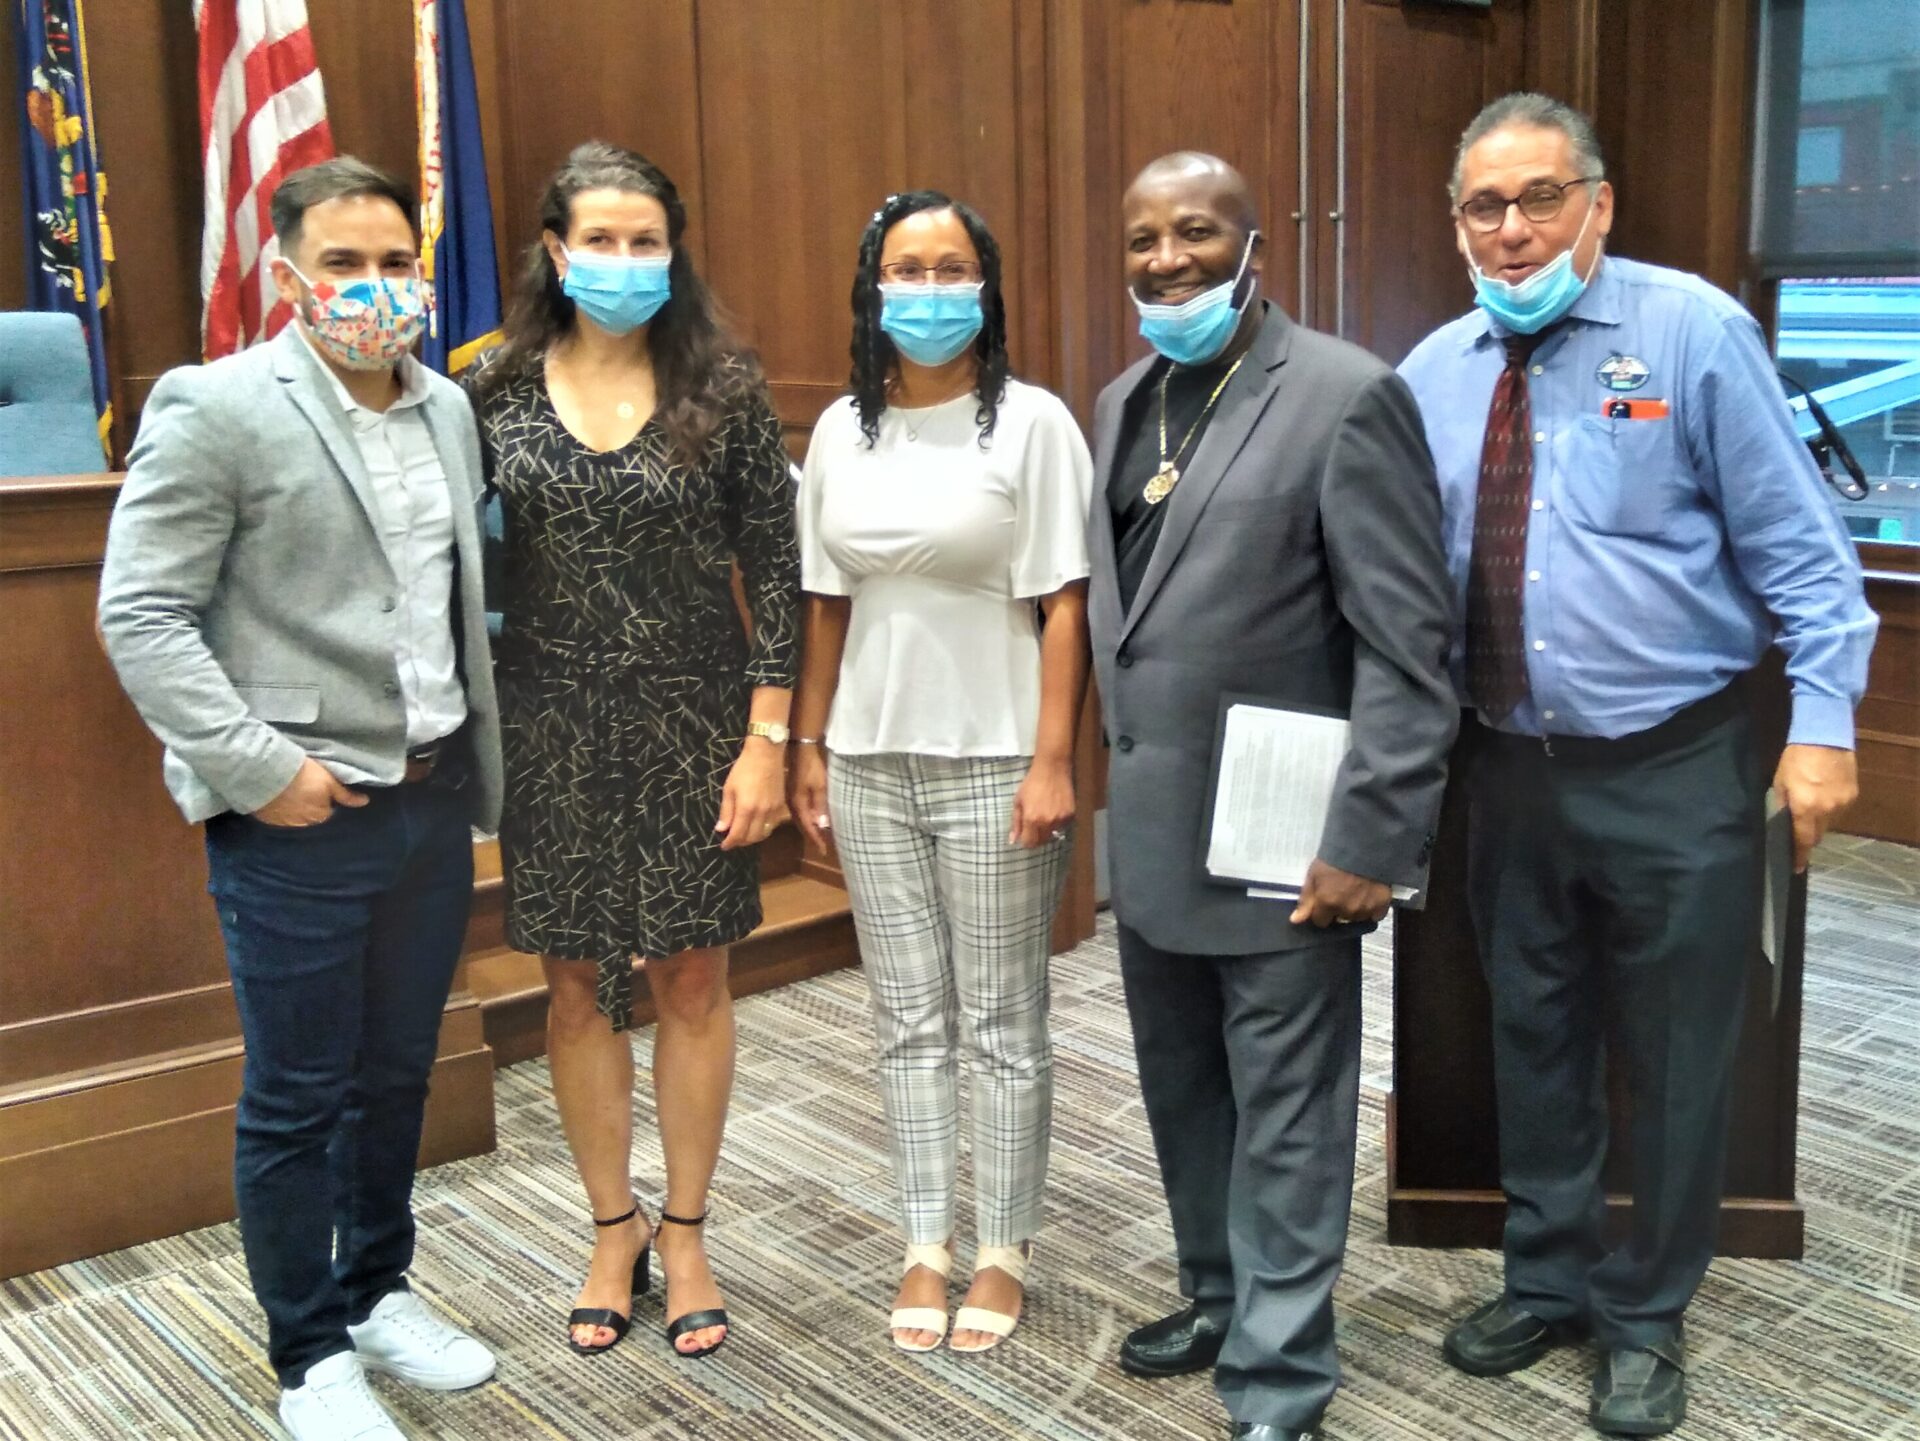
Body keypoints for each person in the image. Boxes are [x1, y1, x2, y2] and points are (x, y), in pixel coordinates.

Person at [1396, 94, 1877, 1437]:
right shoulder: (1433, 371)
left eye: (1540, 197)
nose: (1512, 228)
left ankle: (1647, 1313)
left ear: (1598, 204)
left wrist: (1826, 722)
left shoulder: (1694, 334)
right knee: (1532, 1039)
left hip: (1677, 767)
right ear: (1456, 223)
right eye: (1485, 205)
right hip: (1505, 770)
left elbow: (1803, 557)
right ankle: (1546, 1279)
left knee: (1674, 1054)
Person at [98, 157, 504, 1441]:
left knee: (397, 1075)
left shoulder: (445, 406)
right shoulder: (215, 405)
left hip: (433, 800)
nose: (375, 287)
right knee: (297, 1091)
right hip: (299, 814)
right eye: (345, 263)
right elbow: (142, 612)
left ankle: (380, 1290)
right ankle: (308, 1354)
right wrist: (262, 770)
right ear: (286, 274)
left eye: (395, 261)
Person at [1089, 152, 1458, 1440]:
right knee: (1185, 1093)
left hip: (1286, 841)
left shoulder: (1348, 395)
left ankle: (1282, 1376)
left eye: (1195, 232)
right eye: (1142, 238)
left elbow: (1409, 652)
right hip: (1151, 835)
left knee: (1291, 1120)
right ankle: (1216, 1292)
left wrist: (1371, 837)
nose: (1166, 259)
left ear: (1255, 247)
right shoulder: (1125, 397)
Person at [464, 141, 799, 1361]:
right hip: (549, 721)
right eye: (597, 239)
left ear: (673, 250)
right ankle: (613, 1225)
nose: (621, 259)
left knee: (692, 978)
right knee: (570, 984)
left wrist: (768, 739)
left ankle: (692, 1225)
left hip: (695, 720)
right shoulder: (489, 389)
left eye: (643, 239)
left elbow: (778, 568)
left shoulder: (727, 385)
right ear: (556, 250)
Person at [787, 189, 1093, 1355]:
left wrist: (1055, 760)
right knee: (907, 1020)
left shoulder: (1031, 423)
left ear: (987, 283)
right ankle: (924, 1240)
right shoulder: (838, 432)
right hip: (869, 761)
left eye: (950, 267)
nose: (927, 290)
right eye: (904, 271)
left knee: (1005, 1021)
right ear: (872, 289)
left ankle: (1005, 1249)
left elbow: (1065, 604)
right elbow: (826, 606)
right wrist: (811, 748)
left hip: (1001, 759)